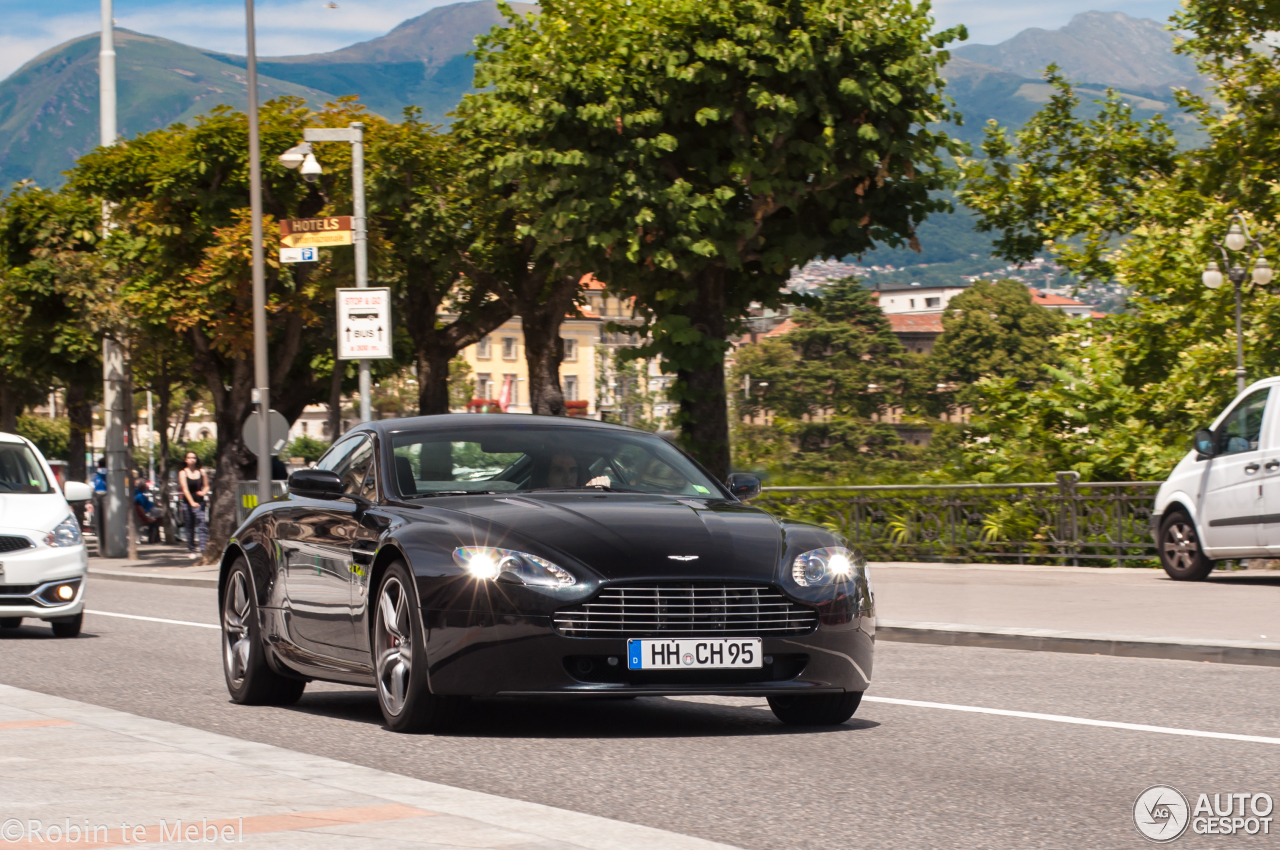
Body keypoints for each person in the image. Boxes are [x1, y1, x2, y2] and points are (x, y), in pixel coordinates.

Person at [178, 451, 210, 560]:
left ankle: (203, 548)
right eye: (190, 458)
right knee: (189, 527)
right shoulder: (183, 472)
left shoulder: (201, 472)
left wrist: (203, 492)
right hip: (188, 504)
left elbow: (206, 486)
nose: (192, 460)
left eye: (194, 458)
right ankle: (192, 549)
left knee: (202, 525)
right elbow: (185, 489)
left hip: (200, 503)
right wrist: (191, 502)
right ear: (186, 460)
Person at [133, 478, 162, 544]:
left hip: (150, 511)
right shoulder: (139, 496)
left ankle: (156, 538)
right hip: (149, 512)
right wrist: (147, 518)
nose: (147, 486)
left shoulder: (136, 493)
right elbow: (140, 508)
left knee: (164, 513)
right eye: (145, 485)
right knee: (167, 514)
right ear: (142, 486)